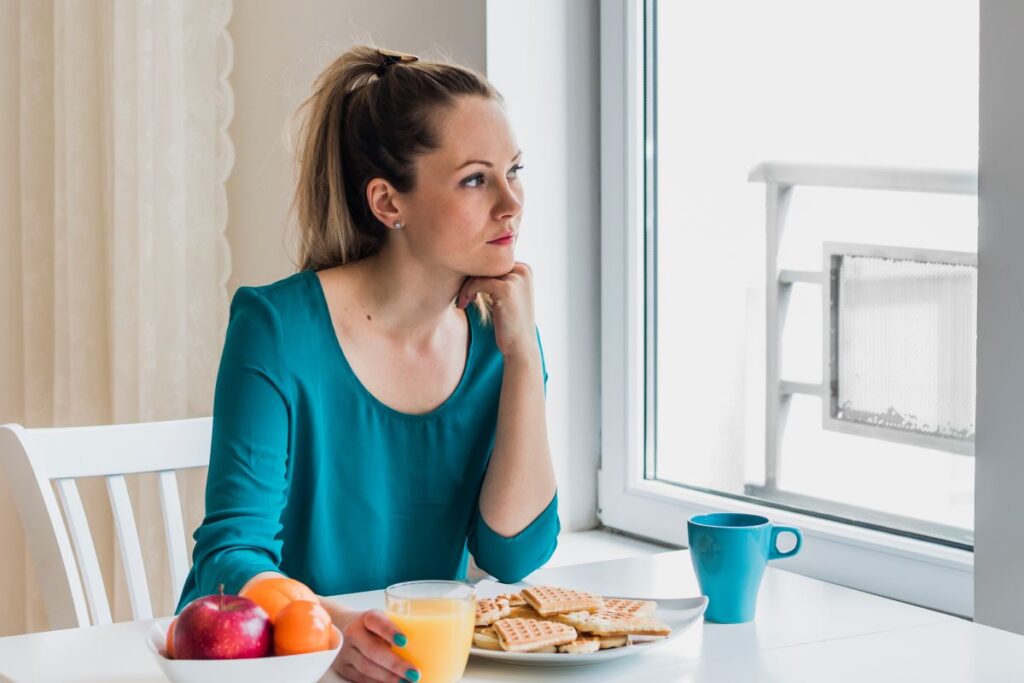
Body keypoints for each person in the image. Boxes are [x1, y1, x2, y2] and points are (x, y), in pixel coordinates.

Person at [174, 45, 559, 682]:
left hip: (416, 666)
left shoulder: (505, 335)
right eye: (474, 179)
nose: (510, 202)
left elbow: (514, 552)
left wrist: (521, 358)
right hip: (285, 666)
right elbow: (232, 554)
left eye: (514, 170)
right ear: (388, 203)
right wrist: (332, 628)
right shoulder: (275, 329)